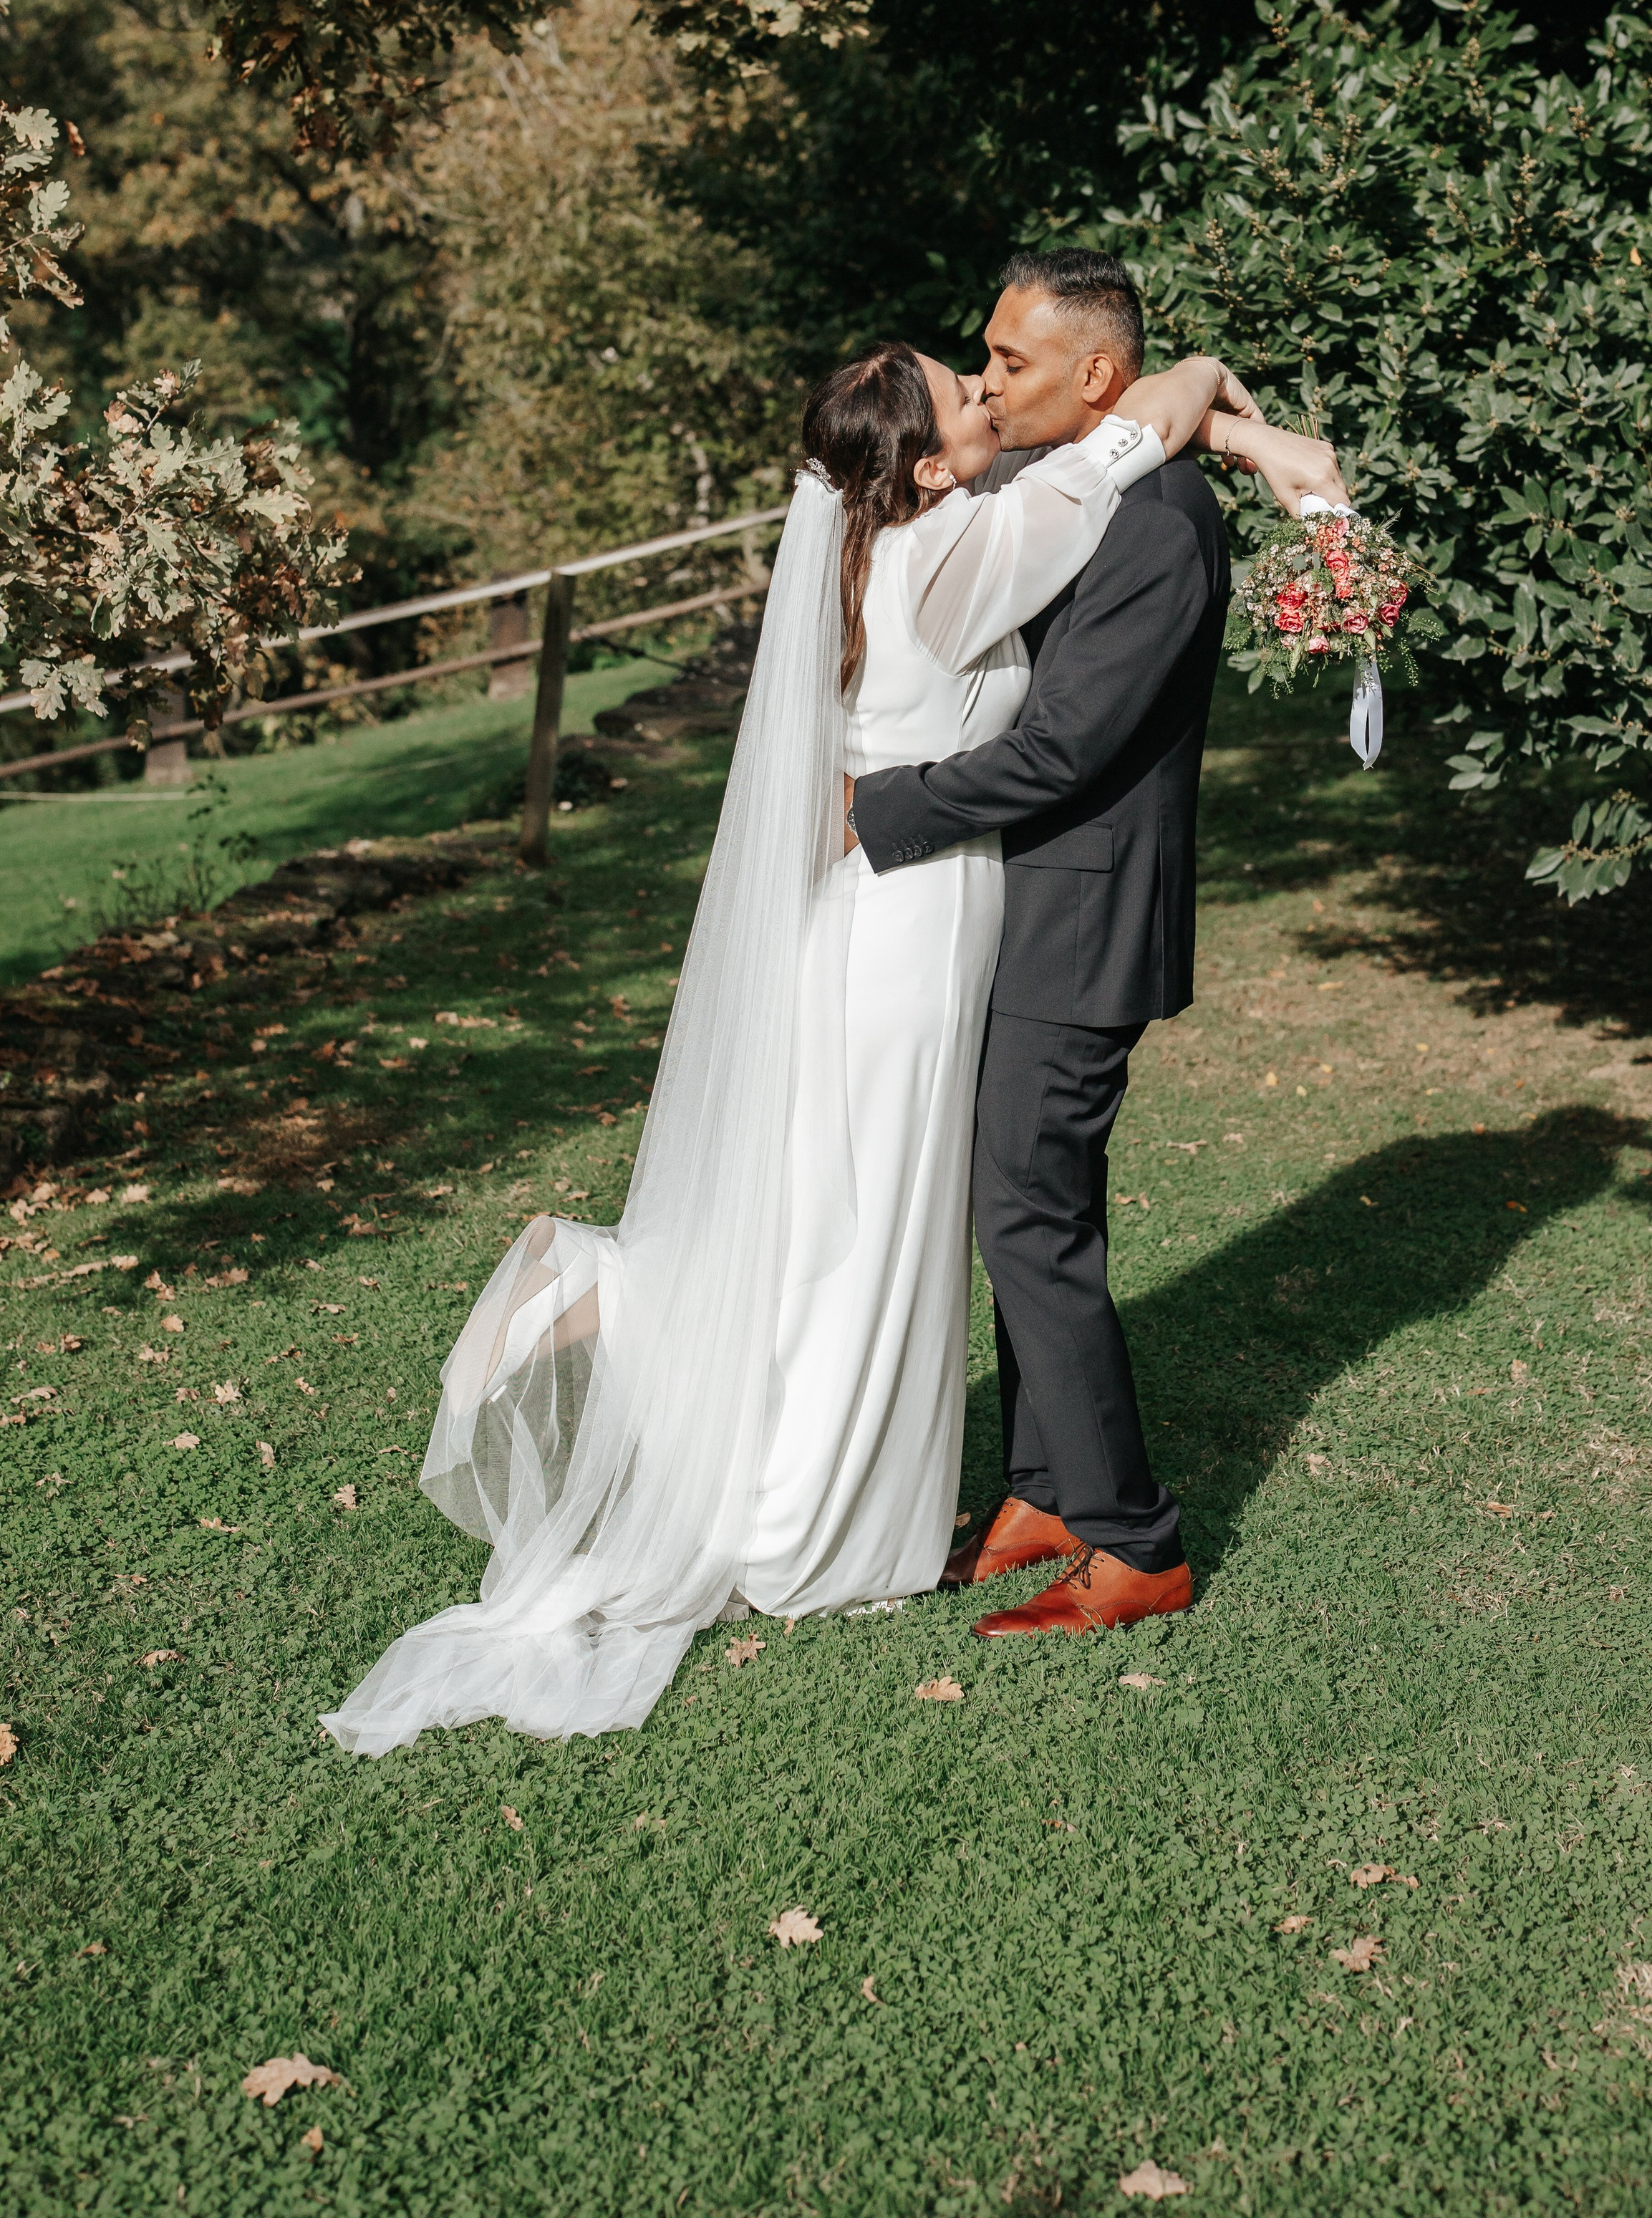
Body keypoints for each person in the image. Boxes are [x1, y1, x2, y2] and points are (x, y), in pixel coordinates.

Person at [321, 329, 1329, 1751]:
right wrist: (1226, 391)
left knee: (820, 1209)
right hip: (911, 935)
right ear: (921, 464)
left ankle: (638, 1311)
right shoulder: (977, 550)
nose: (987, 392)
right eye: (960, 390)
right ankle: (739, 1445)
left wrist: (1246, 441)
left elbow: (1103, 437)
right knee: (858, 1228)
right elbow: (1137, 419)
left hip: (849, 924)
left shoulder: (880, 545)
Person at [846, 249, 1343, 1640]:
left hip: (1080, 913)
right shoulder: (1083, 477)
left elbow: (1066, 749)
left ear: (1093, 377)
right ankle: (1042, 1490)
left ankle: (1133, 1542)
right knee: (1025, 1206)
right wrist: (1238, 418)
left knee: (1027, 1216)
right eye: (986, 359)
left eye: (1009, 361)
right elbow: (985, 471)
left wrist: (875, 811)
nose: (987, 381)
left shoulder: (1155, 527)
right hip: (1023, 904)